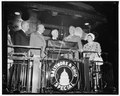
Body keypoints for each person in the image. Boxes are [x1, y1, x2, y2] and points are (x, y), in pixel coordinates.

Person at [30, 24, 46, 93]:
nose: (44, 29)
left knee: (39, 74)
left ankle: (38, 90)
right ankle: (34, 91)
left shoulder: (41, 35)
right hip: (36, 56)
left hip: (41, 57)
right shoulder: (34, 34)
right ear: (39, 28)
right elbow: (31, 45)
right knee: (35, 74)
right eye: (43, 28)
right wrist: (34, 54)